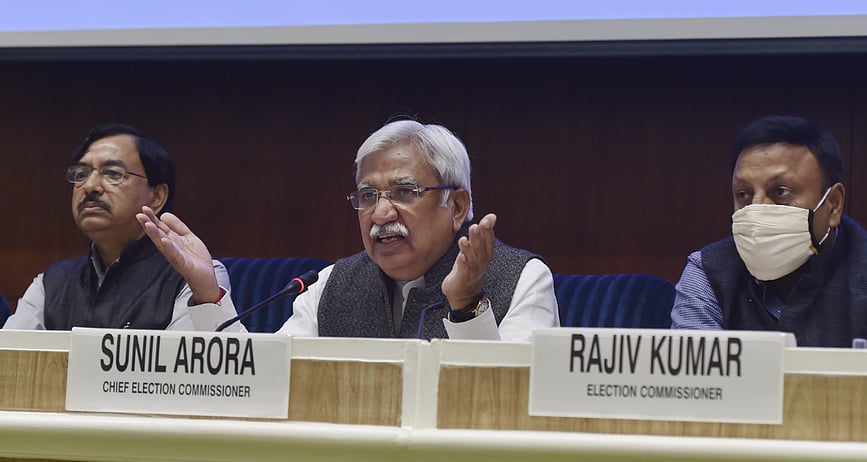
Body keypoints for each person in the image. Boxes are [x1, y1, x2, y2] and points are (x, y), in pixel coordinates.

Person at [143, 119, 559, 340]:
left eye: (404, 191)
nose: (380, 213)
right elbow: (263, 385)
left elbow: (509, 404)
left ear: (457, 207)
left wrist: (467, 305)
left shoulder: (522, 279)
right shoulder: (332, 284)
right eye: (367, 195)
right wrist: (208, 294)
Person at [671, 115, 867, 348]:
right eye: (743, 194)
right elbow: (696, 371)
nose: (757, 207)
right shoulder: (707, 272)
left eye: (780, 191)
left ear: (833, 204)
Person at [3, 123, 238, 331]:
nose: (90, 186)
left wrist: (206, 297)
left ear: (157, 196)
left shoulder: (194, 279)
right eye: (81, 174)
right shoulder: (51, 282)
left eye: (113, 173)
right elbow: (9, 358)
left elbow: (187, 365)